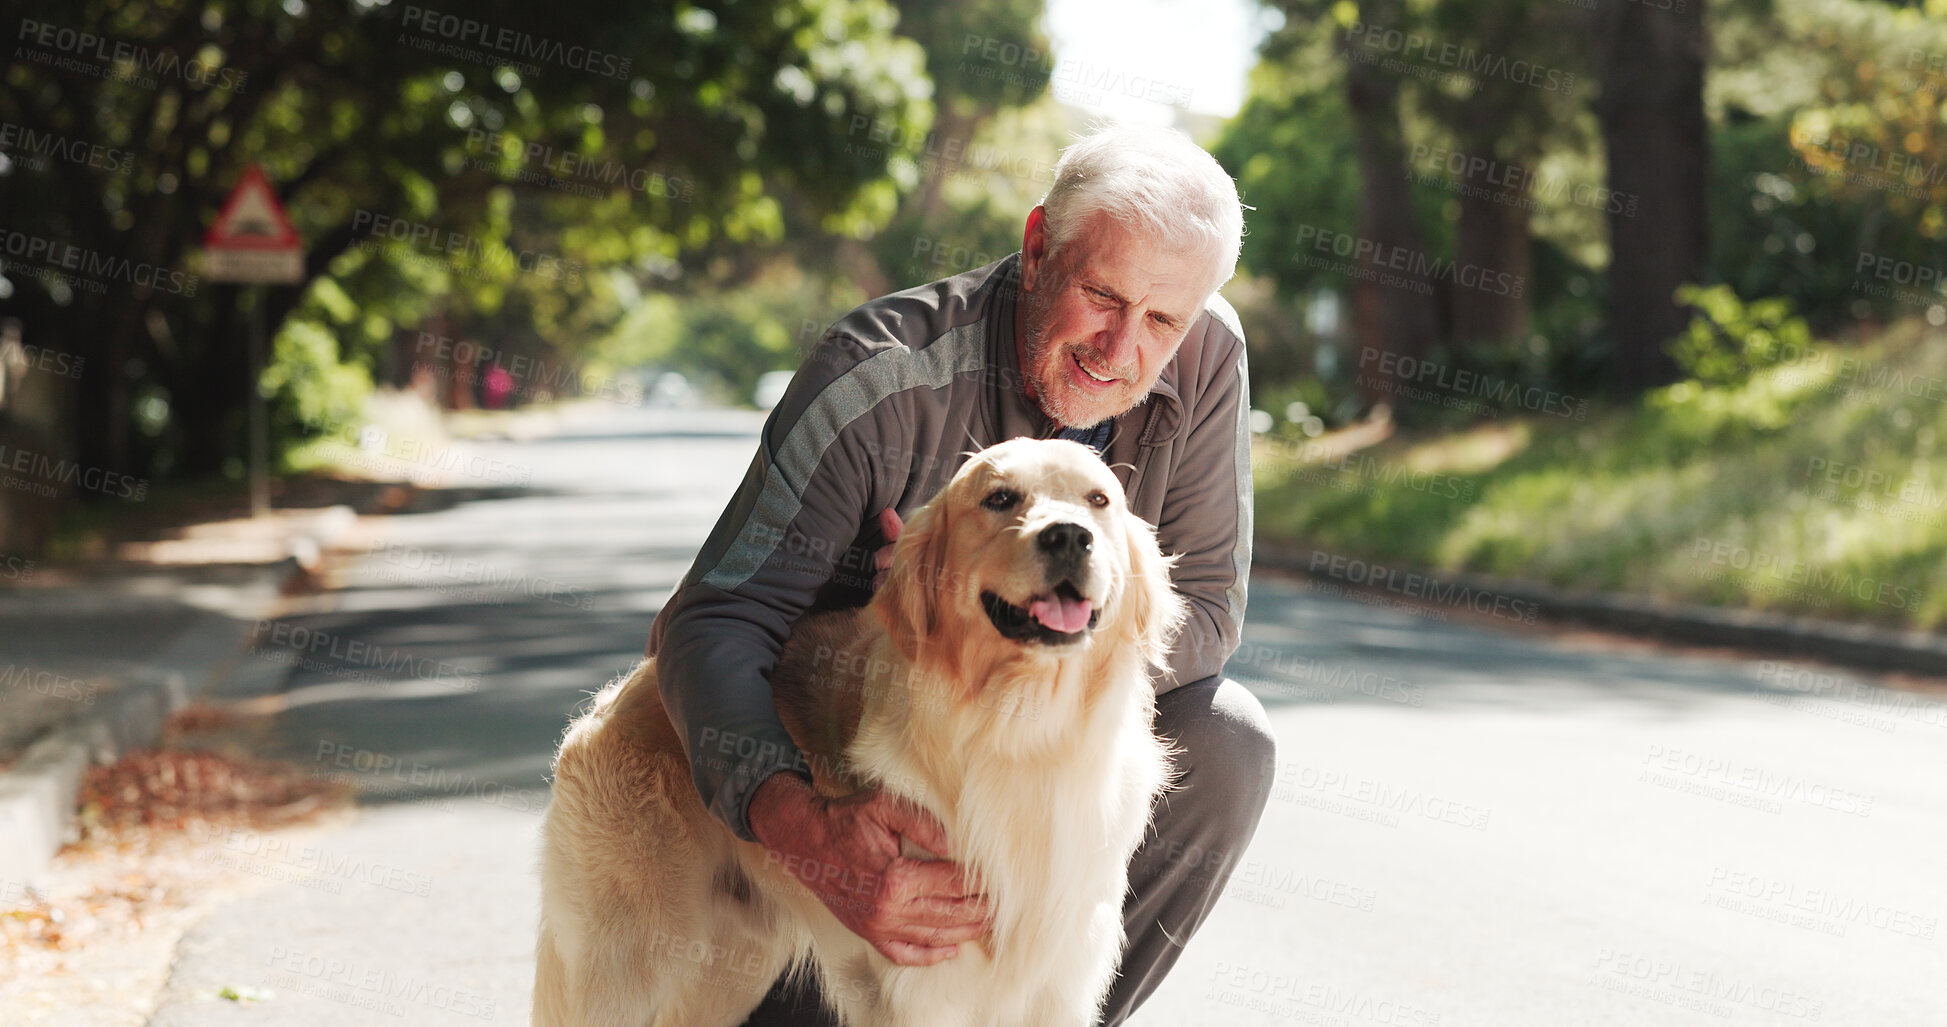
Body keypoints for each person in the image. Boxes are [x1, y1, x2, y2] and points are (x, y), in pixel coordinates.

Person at [642, 124, 1277, 1026]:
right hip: (849, 752)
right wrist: (806, 829)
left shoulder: (1210, 347)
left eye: (1162, 321)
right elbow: (713, 621)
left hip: (1029, 764)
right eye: (1101, 295)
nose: (1119, 346)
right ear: (1037, 248)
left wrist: (1037, 649)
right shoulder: (875, 376)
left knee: (1224, 738)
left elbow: (1205, 605)